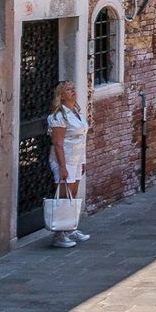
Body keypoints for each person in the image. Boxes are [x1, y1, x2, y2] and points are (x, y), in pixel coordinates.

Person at [46, 82, 90, 248]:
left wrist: (83, 161)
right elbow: (58, 144)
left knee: (73, 194)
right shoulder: (59, 117)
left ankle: (70, 228)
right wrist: (63, 167)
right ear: (61, 95)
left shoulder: (76, 112)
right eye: (69, 89)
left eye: (73, 88)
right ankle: (58, 235)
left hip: (77, 159)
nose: (74, 91)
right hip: (64, 160)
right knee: (64, 196)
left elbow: (81, 139)